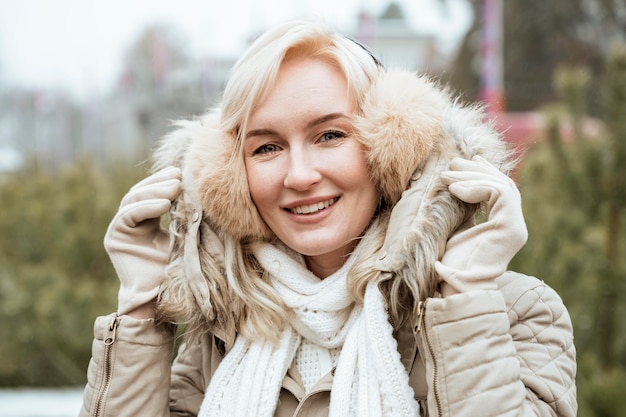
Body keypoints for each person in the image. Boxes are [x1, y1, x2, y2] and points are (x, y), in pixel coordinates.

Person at [79, 19, 576, 417]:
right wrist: (140, 310)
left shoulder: (518, 312)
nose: (299, 175)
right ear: (231, 176)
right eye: (267, 147)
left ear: (391, 148)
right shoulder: (218, 334)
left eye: (330, 136)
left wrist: (465, 300)